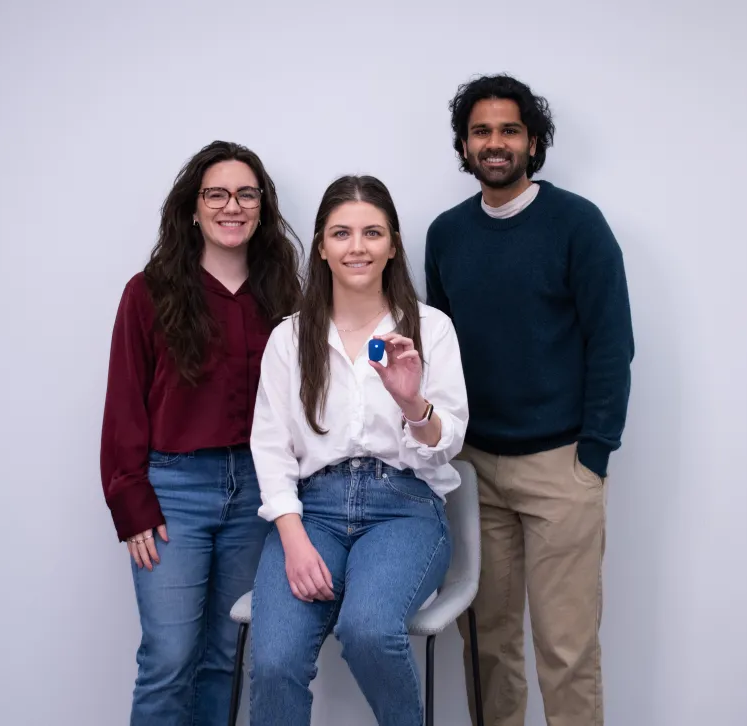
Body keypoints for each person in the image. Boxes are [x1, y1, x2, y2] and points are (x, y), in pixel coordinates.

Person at [425, 74, 635, 726]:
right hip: (475, 469)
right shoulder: (446, 234)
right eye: (482, 131)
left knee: (565, 649)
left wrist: (593, 454)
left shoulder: (578, 225)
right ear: (464, 145)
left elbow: (611, 345)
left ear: (533, 142)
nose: (495, 143)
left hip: (560, 468)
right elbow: (440, 349)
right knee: (486, 647)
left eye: (509, 130)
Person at [245, 175, 469, 726]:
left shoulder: (431, 329)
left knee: (367, 629)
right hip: (312, 512)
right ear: (321, 246)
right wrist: (293, 539)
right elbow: (270, 447)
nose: (357, 247)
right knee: (273, 662)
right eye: (341, 233)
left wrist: (412, 402)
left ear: (393, 243)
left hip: (405, 508)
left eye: (372, 233)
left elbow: (450, 442)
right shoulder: (290, 338)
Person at [99, 140, 302, 726]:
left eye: (246, 193)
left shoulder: (284, 297)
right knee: (168, 657)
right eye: (216, 193)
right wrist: (131, 502)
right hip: (172, 495)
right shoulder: (150, 292)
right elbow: (124, 402)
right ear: (193, 207)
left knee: (225, 656)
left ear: (262, 206)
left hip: (258, 497)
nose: (231, 205)